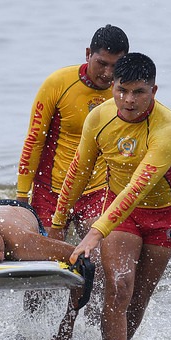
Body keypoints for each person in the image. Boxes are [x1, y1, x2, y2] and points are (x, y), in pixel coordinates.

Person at [49, 53, 171, 340]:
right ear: (113, 86)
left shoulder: (169, 129)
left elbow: (137, 188)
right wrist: (57, 224)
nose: (128, 100)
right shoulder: (99, 117)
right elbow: (79, 172)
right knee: (120, 285)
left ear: (154, 91)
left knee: (138, 299)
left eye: (139, 92)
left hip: (164, 217)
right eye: (122, 90)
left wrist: (94, 232)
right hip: (120, 214)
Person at [16, 24, 129, 239]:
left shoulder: (128, 94)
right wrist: (22, 196)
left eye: (115, 66)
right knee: (45, 255)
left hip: (97, 191)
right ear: (88, 54)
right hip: (51, 190)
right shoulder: (58, 83)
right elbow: (34, 140)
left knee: (100, 257)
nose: (108, 74)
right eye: (102, 63)